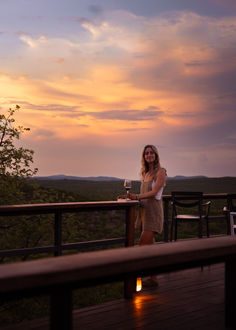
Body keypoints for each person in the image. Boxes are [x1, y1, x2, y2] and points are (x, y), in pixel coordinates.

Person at [120, 144, 166, 287]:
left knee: (141, 247)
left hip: (154, 213)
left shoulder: (161, 172)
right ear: (144, 157)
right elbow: (144, 197)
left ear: (156, 155)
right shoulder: (145, 174)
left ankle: (134, 281)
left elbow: (153, 193)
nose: (149, 155)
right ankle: (153, 279)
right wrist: (129, 197)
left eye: (152, 153)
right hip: (144, 212)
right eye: (146, 153)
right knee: (151, 249)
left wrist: (136, 196)